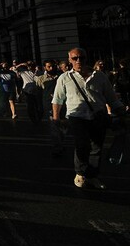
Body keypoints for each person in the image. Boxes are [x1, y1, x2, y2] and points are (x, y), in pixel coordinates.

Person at [52, 48, 127, 190]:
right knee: (82, 144)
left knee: (96, 147)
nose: (78, 60)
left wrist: (121, 111)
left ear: (87, 58)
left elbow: (111, 97)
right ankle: (80, 173)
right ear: (70, 60)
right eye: (75, 58)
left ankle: (92, 176)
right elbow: (57, 100)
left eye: (82, 57)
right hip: (76, 116)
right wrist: (56, 119)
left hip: (98, 116)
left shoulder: (99, 76)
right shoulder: (65, 78)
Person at [36, 60, 66, 156]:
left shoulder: (61, 77)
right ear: (45, 67)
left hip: (63, 104)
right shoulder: (41, 79)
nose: (51, 68)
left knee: (62, 126)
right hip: (49, 105)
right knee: (54, 126)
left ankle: (60, 141)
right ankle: (57, 146)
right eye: (49, 67)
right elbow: (39, 94)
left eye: (52, 66)